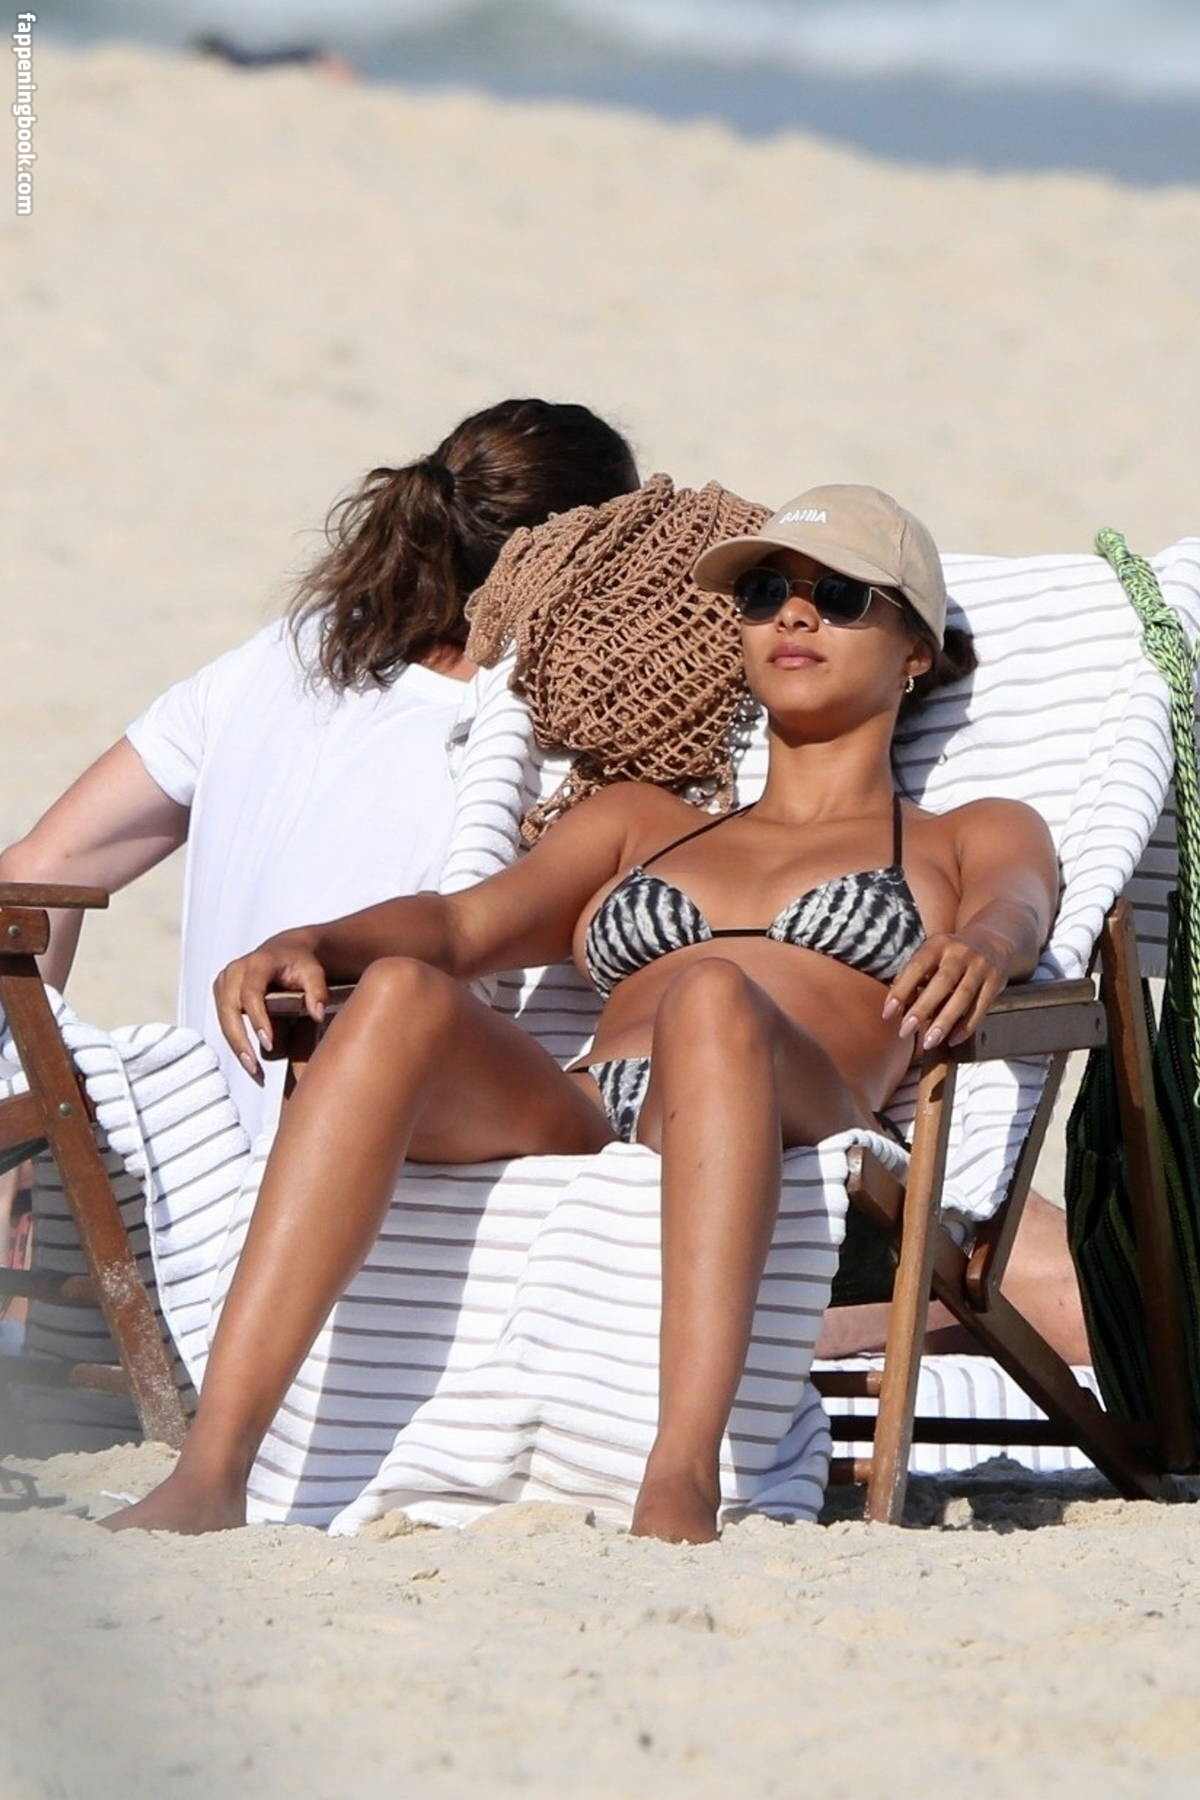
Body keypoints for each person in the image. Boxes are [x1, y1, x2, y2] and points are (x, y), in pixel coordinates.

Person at [102, 483, 1061, 1546]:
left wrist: (982, 946)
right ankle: (214, 1470)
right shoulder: (642, 822)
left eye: (840, 597)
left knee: (710, 992)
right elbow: (460, 926)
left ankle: (679, 1483)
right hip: (599, 1107)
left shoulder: (967, 833)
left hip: (805, 1106)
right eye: (764, 592)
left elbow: (1017, 910)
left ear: (916, 650)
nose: (793, 614)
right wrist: (321, 942)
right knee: (403, 993)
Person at [0, 397, 640, 1154]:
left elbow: (42, 868)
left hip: (195, 1166)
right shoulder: (556, 734)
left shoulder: (291, 654)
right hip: (381, 1181)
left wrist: (22, 1108)